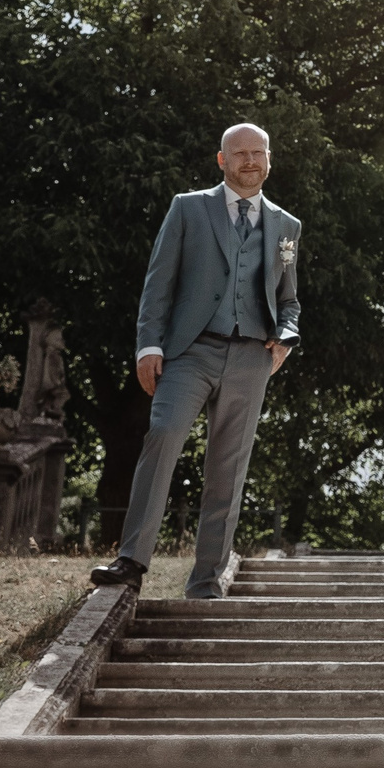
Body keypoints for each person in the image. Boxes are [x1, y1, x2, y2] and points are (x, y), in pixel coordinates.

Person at [91, 123, 301, 598]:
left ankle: (206, 582)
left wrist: (286, 337)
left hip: (251, 357)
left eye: (258, 153)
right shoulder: (188, 208)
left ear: (269, 159)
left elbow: (289, 299)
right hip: (189, 350)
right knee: (163, 435)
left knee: (229, 468)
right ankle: (131, 560)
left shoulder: (287, 226)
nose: (250, 161)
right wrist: (149, 345)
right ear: (222, 160)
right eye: (240, 153)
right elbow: (158, 282)